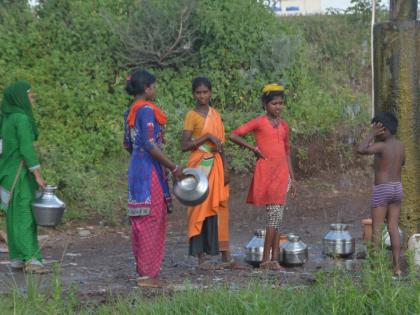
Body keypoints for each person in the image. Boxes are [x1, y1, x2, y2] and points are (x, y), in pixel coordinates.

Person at [123, 69, 183, 287]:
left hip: (136, 170)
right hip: (149, 172)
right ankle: (148, 275)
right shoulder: (147, 110)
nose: (155, 90)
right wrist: (173, 166)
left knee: (139, 221)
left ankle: (143, 271)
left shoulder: (130, 111)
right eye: (153, 86)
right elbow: (149, 144)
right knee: (152, 219)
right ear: (147, 88)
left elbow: (128, 144)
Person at [229, 83, 297, 270]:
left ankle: (273, 258)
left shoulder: (284, 125)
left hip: (283, 174)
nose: (278, 107)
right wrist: (254, 149)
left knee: (278, 218)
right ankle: (267, 260)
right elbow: (234, 135)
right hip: (267, 174)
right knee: (273, 217)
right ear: (266, 104)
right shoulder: (259, 122)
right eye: (274, 103)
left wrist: (293, 178)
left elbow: (287, 152)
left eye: (281, 103)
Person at [181, 76, 236, 269]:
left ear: (210, 93)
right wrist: (206, 136)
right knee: (199, 209)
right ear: (193, 94)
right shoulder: (192, 115)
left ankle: (225, 254)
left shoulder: (216, 114)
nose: (202, 95)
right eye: (198, 92)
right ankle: (200, 258)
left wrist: (227, 167)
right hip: (200, 166)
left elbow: (221, 146)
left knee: (220, 207)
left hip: (217, 165)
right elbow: (185, 145)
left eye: (205, 92)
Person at [0, 80, 47, 273]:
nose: (32, 97)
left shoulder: (6, 118)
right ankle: (31, 259)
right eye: (29, 94)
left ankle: (17, 258)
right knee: (25, 215)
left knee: (12, 216)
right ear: (20, 97)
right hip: (20, 175)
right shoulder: (21, 119)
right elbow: (26, 149)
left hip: (6, 174)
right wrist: (37, 175)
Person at [357, 112, 405, 276]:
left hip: (382, 188)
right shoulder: (400, 146)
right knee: (393, 227)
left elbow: (361, 149)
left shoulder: (381, 146)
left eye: (375, 128)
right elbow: (402, 162)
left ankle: (375, 268)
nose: (374, 132)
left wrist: (370, 135)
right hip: (397, 188)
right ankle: (397, 268)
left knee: (376, 229)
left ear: (382, 129)